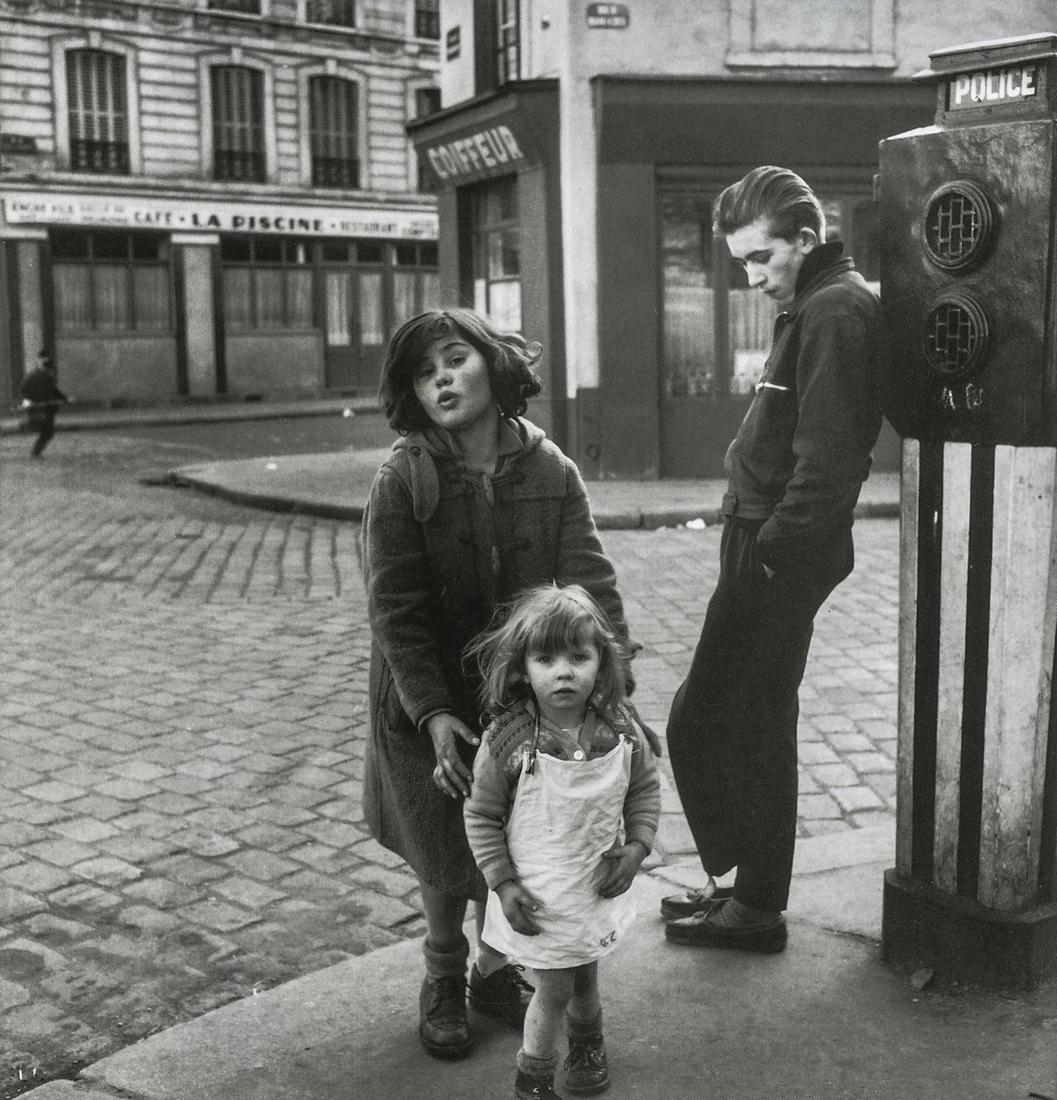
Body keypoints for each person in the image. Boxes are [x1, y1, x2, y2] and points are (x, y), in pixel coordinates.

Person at [362, 309, 638, 1064]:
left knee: (517, 829)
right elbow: (395, 611)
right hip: (425, 696)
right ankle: (443, 974)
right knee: (443, 836)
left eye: (455, 360)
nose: (442, 380)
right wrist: (433, 713)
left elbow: (592, 587)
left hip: (521, 691)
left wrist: (616, 688)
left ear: (494, 364)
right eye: (425, 373)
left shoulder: (552, 471)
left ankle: (492, 972)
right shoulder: (401, 479)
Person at [662, 166, 887, 953]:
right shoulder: (815, 304)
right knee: (744, 719)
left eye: (761, 257)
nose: (752, 278)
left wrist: (770, 555)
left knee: (716, 720)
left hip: (775, 548)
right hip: (761, 539)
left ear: (806, 237)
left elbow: (829, 460)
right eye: (741, 263)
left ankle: (753, 906)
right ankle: (745, 889)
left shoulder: (834, 310)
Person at [464, 584, 660, 1100]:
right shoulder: (508, 741)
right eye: (546, 659)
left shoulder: (619, 730)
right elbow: (481, 815)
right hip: (538, 895)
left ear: (602, 662)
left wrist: (637, 847)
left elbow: (644, 789)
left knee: (586, 975)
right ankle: (532, 1077)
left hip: (593, 887)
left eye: (578, 657)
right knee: (553, 989)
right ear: (523, 668)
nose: (564, 672)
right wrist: (503, 884)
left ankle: (588, 1044)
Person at [19, 350, 69, 457]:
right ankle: (35, 449)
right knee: (47, 431)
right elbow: (24, 389)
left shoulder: (45, 376)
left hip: (46, 407)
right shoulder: (34, 376)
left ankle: (36, 451)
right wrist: (29, 400)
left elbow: (54, 391)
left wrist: (65, 398)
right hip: (41, 407)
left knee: (47, 432)